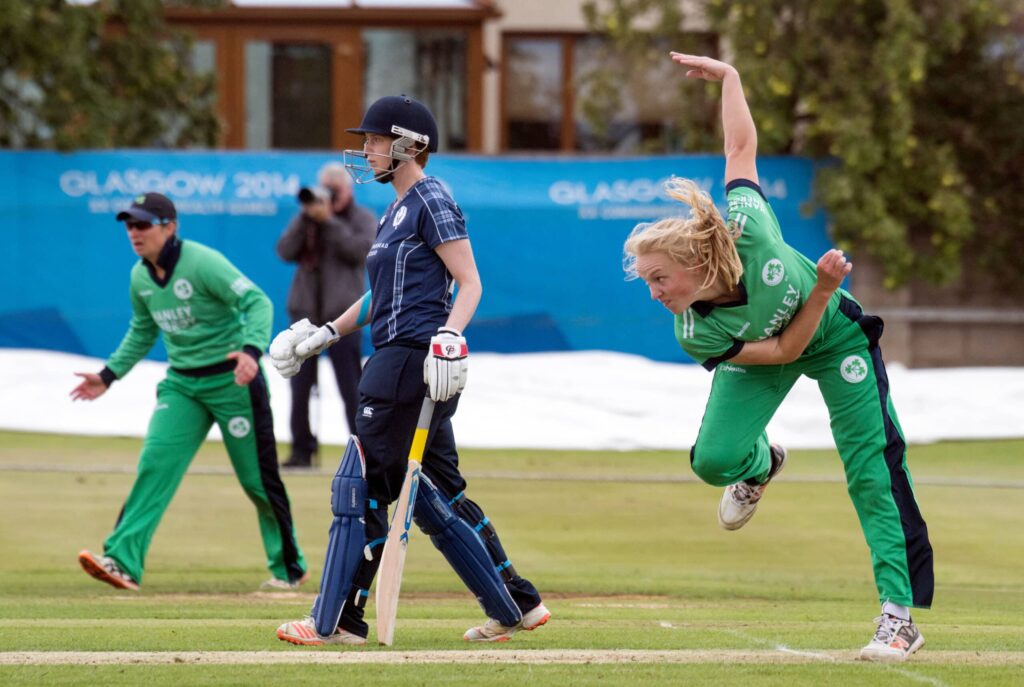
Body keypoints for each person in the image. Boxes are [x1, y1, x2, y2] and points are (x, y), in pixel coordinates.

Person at [623, 54, 933, 663]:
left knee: (870, 468)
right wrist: (819, 288)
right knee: (714, 461)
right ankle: (761, 464)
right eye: (646, 282)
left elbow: (740, 149)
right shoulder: (695, 329)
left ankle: (899, 619)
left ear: (694, 263)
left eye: (659, 278)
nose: (654, 293)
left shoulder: (750, 231)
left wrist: (731, 78)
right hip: (776, 349)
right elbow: (785, 350)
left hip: (838, 337)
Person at [268, 95, 550, 645]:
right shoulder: (396, 209)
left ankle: (337, 619)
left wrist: (450, 336)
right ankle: (517, 601)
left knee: (363, 484)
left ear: (408, 145)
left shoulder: (431, 198)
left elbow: (470, 282)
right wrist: (326, 333)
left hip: (410, 360)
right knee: (438, 490)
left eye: (376, 140)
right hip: (400, 358)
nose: (367, 149)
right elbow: (382, 293)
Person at [71, 192, 308, 592]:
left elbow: (257, 302)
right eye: (129, 225)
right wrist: (108, 375)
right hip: (182, 385)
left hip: (233, 381)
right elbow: (142, 330)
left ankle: (289, 568)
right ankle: (122, 562)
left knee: (257, 481)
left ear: (170, 227)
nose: (134, 232)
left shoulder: (201, 262)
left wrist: (252, 351)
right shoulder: (140, 277)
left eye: (142, 224)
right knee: (154, 466)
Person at [276, 163, 376, 467]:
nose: (328, 197)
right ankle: (301, 450)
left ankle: (364, 451)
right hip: (305, 314)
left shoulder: (362, 218)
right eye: (324, 191)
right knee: (299, 386)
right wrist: (306, 218)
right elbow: (284, 251)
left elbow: (360, 251)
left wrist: (329, 222)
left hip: (343, 318)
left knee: (352, 387)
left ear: (348, 190)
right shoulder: (306, 220)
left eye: (334, 191)